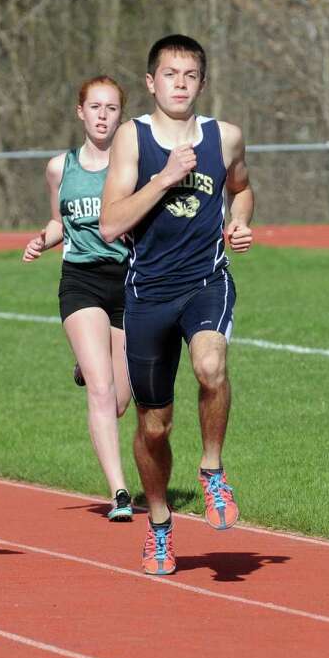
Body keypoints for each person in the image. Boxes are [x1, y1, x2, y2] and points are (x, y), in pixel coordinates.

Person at [100, 34, 254, 575]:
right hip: (147, 293)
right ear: (151, 82)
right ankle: (161, 523)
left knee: (211, 366)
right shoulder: (132, 138)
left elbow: (241, 188)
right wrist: (164, 178)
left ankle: (212, 470)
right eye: (170, 74)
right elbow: (110, 223)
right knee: (154, 427)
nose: (180, 84)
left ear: (202, 83)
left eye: (190, 75)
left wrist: (239, 221)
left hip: (205, 281)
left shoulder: (225, 137)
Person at [22, 76, 134, 522]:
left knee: (120, 401)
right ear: (80, 112)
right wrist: (42, 240)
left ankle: (88, 368)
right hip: (81, 281)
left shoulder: (134, 166)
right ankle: (120, 491)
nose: (102, 115)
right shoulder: (60, 167)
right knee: (102, 392)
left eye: (111, 108)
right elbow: (59, 222)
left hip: (128, 283)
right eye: (95, 107)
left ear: (121, 115)